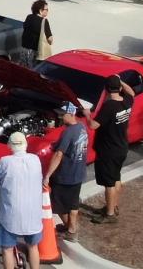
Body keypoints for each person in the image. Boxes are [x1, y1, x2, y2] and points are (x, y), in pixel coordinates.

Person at [0, 131, 44, 269]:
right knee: (32, 246)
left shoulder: (5, 162)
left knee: (7, 249)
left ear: (10, 146)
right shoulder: (35, 160)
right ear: (25, 144)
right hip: (34, 215)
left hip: (11, 217)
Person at [90, 74, 134, 223]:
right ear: (120, 88)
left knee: (109, 183)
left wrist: (87, 115)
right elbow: (131, 92)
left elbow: (93, 125)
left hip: (109, 150)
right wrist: (119, 80)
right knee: (116, 178)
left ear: (106, 90)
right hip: (121, 147)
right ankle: (113, 206)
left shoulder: (109, 106)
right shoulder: (127, 102)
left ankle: (109, 215)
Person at [44, 102, 87, 242]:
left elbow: (58, 155)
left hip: (65, 176)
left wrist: (48, 176)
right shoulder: (81, 127)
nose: (60, 117)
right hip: (78, 173)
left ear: (71, 114)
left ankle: (70, 229)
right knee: (73, 203)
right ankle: (71, 229)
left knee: (59, 205)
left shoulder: (68, 132)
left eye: (63, 115)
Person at [20, 0, 53, 66]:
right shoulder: (44, 21)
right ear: (40, 10)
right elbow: (49, 39)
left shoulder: (29, 17)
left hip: (24, 49)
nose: (47, 11)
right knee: (33, 71)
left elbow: (25, 27)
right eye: (46, 9)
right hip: (34, 53)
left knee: (23, 69)